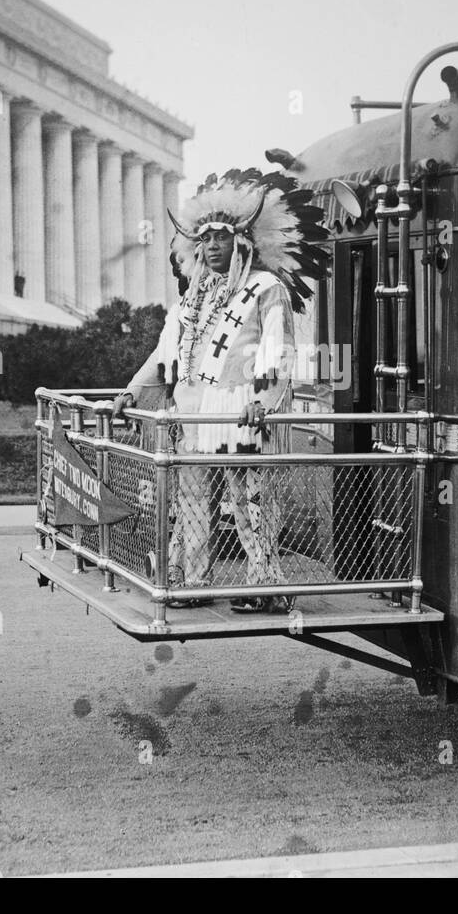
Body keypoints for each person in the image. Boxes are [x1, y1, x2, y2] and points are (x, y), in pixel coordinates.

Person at [112, 169, 329, 613]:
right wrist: (132, 393)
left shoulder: (266, 289)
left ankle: (263, 584)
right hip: (189, 413)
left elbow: (279, 350)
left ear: (242, 241)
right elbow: (163, 355)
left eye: (221, 238)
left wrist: (262, 402)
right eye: (204, 239)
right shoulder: (189, 300)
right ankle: (192, 580)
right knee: (188, 504)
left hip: (238, 411)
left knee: (249, 502)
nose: (211, 247)